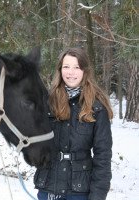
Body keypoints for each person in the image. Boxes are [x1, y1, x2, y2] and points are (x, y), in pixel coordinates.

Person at [34, 47, 113, 200]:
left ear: (84, 71)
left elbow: (103, 155)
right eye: (66, 67)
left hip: (79, 191)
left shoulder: (97, 106)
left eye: (77, 67)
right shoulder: (47, 102)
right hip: (48, 187)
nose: (71, 72)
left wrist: (98, 196)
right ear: (60, 70)